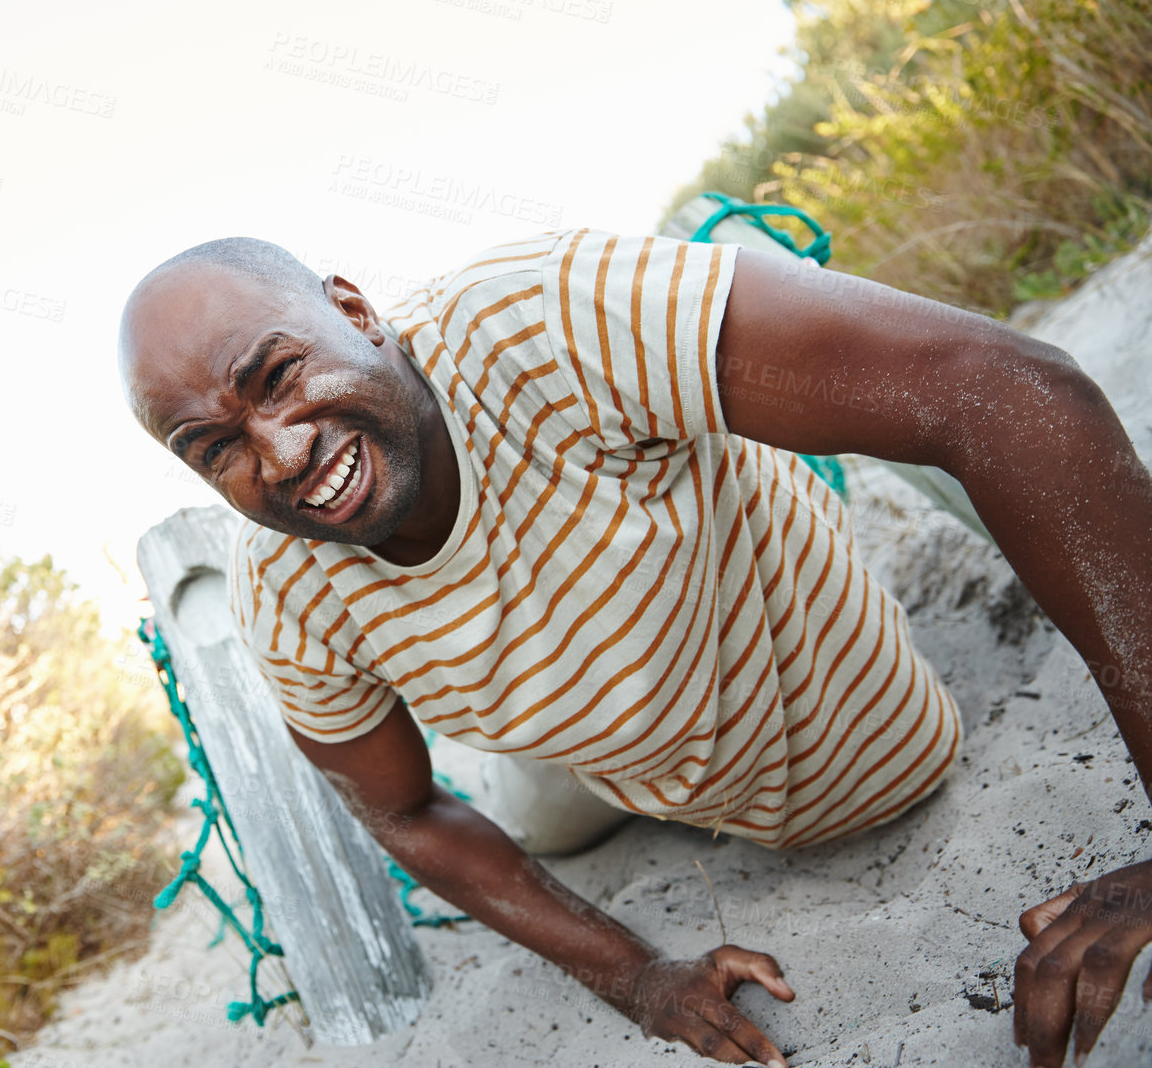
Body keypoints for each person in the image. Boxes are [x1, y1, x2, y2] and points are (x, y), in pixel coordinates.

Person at [116, 229, 1152, 1068]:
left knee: (914, 399)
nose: (282, 451)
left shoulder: (543, 321)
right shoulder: (286, 593)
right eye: (217, 449)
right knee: (530, 813)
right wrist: (638, 975)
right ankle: (524, 728)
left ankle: (738, 262)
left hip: (730, 581)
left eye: (278, 375)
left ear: (353, 311)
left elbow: (1011, 391)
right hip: (576, 744)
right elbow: (404, 808)